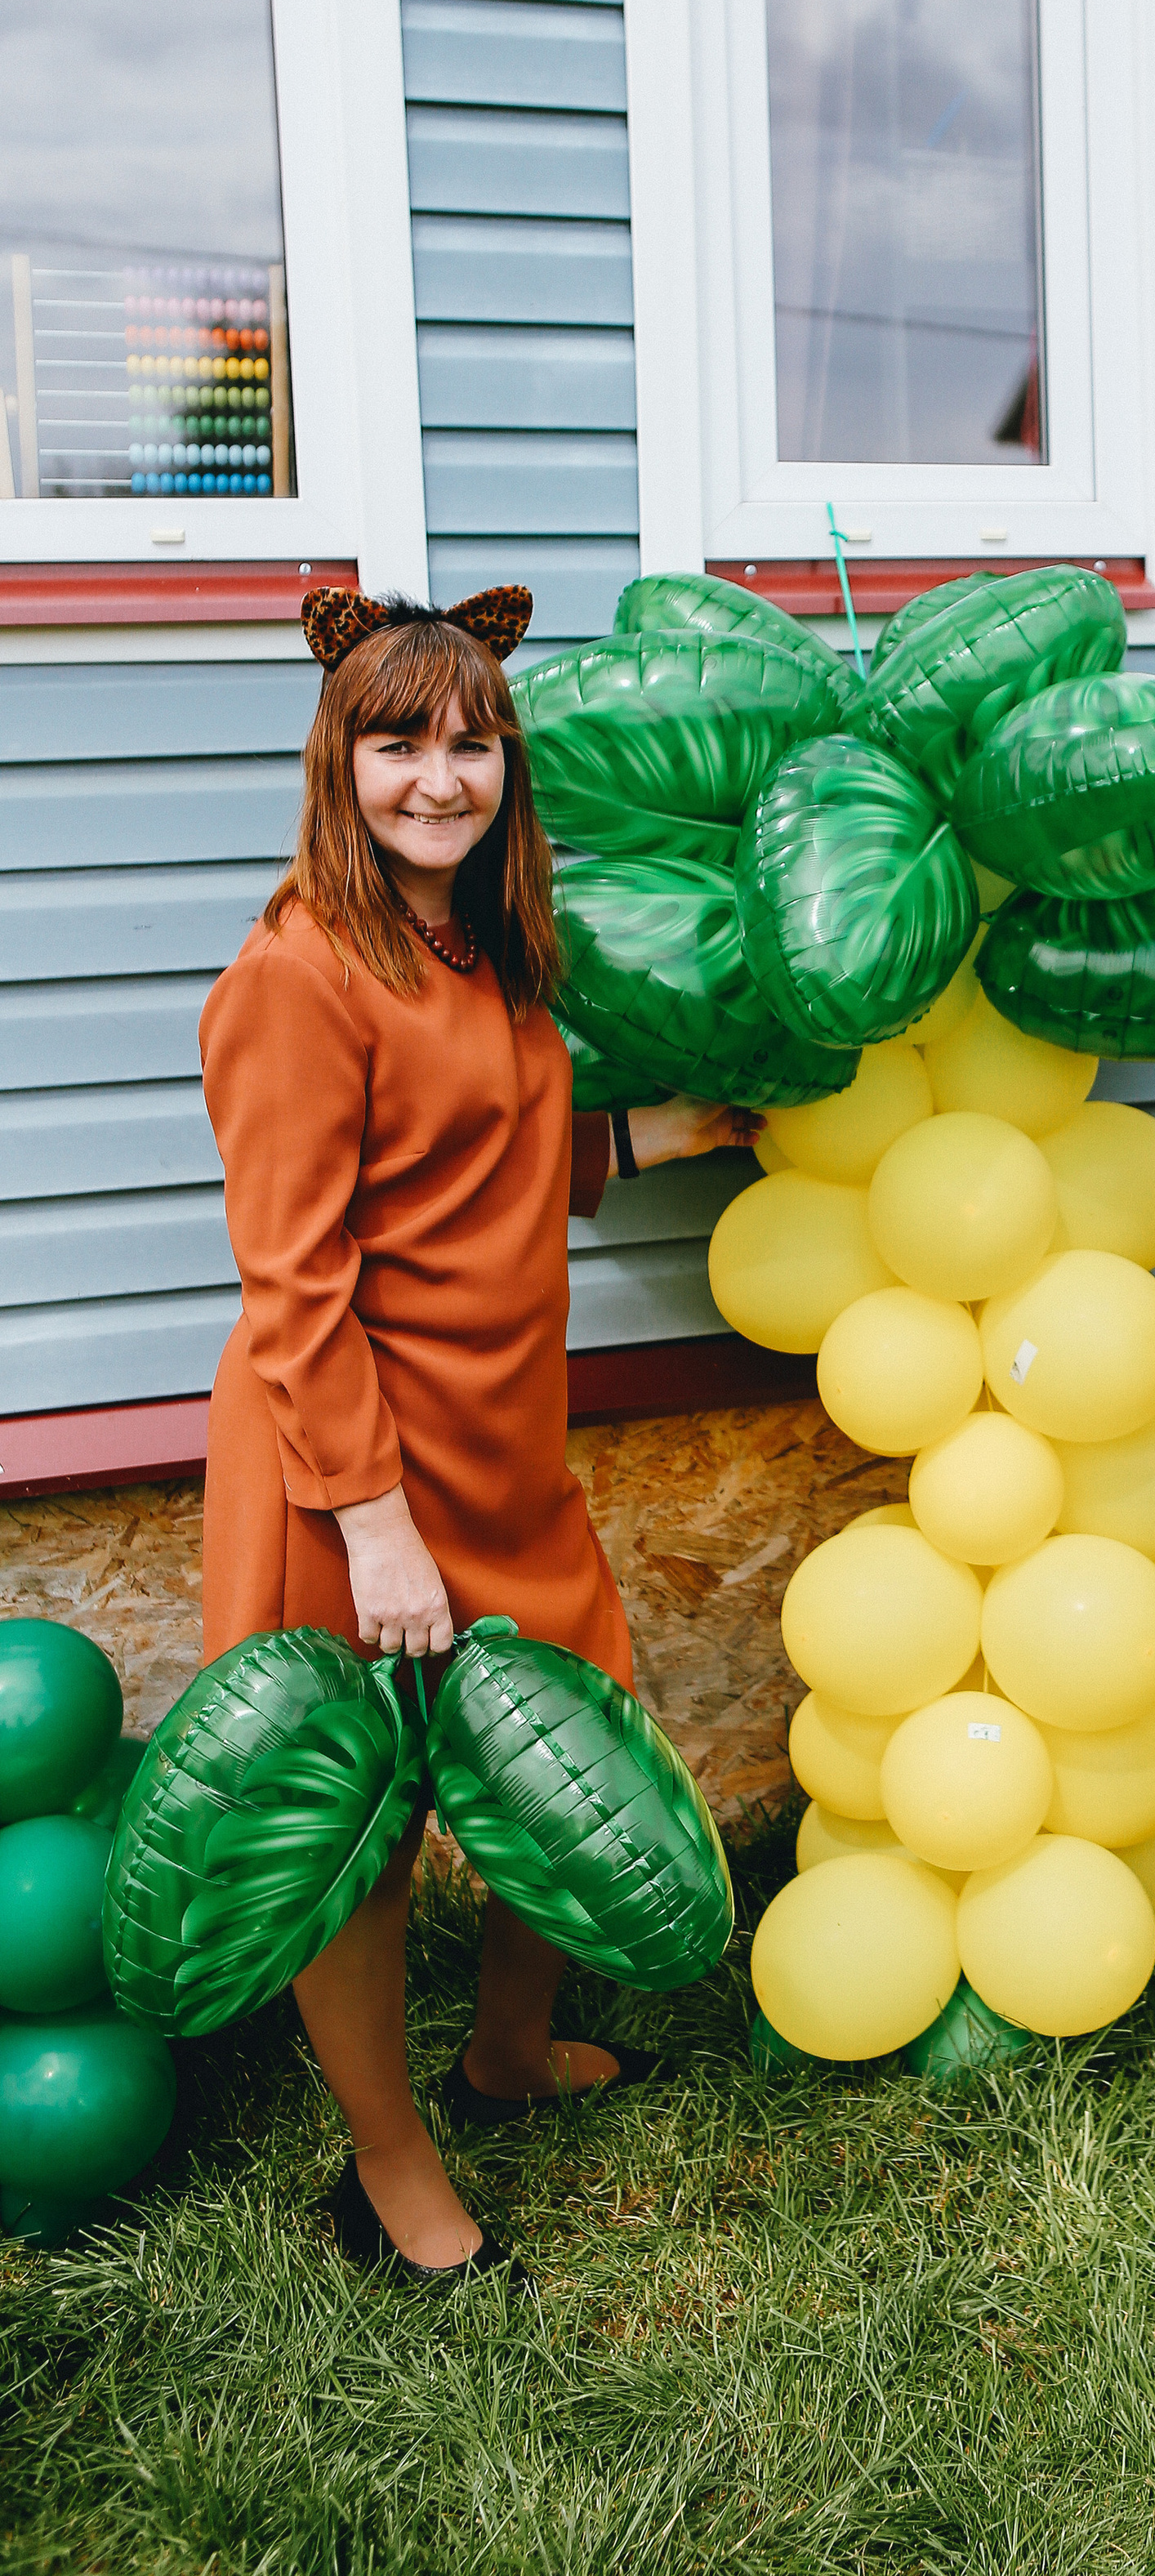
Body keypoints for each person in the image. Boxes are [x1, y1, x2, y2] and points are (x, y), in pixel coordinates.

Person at [200, 586, 749, 2284]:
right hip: (343, 1462)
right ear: (339, 759)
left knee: (564, 1763)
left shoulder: (488, 948)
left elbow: (480, 1165)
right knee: (354, 1827)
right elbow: (294, 1280)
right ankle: (388, 2170)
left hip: (504, 1449)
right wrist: (367, 1521)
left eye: (470, 741)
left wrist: (654, 1139)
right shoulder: (299, 974)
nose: (439, 777)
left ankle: (506, 2058)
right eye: (399, 742)